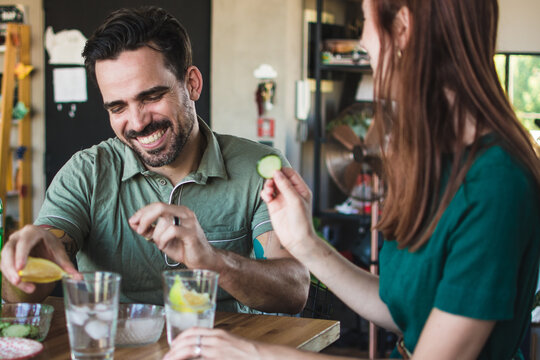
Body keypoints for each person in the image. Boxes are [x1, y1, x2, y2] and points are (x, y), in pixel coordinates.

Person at [164, 0, 540, 359]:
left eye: (365, 23)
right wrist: (305, 242)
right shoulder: (442, 162)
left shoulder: (495, 183)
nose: (362, 41)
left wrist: (255, 351)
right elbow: (402, 309)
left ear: (403, 27)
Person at [0, 6, 310, 314]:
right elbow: (20, 297)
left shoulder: (260, 166)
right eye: (117, 107)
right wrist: (21, 264)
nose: (137, 123)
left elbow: (294, 290)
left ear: (192, 84)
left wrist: (212, 260)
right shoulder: (85, 173)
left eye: (150, 97)